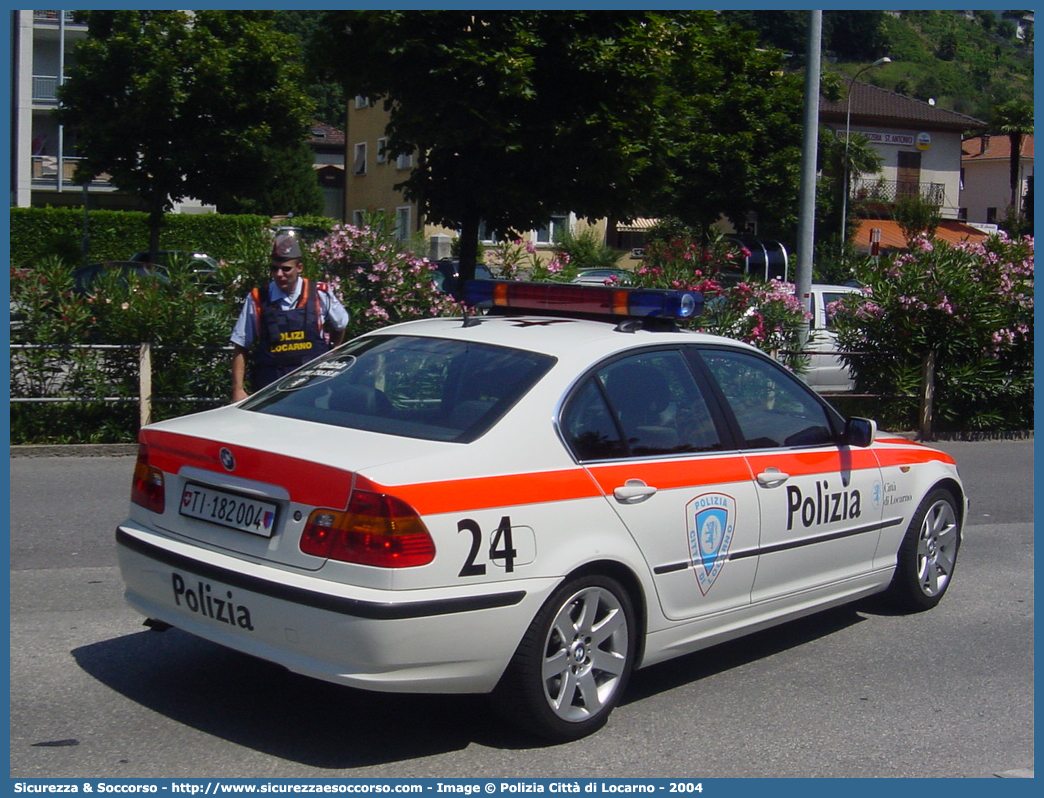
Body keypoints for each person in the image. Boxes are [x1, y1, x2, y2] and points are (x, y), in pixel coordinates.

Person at [230, 232, 349, 402]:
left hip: (312, 389)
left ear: (299, 267)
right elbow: (241, 344)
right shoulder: (257, 297)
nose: (279, 274)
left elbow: (341, 325)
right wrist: (238, 390)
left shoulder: (320, 293)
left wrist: (333, 353)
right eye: (274, 268)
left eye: (286, 269)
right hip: (269, 390)